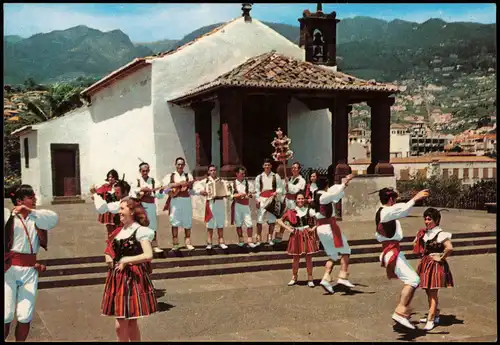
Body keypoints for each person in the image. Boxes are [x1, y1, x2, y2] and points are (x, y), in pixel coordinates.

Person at [4, 185, 59, 341]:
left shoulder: (37, 218)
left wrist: (30, 211)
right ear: (20, 200)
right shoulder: (9, 218)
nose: (35, 199)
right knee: (6, 313)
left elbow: (53, 218)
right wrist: (13, 211)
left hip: (29, 271)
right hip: (9, 270)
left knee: (25, 314)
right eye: (31, 197)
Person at [101, 197, 157, 342]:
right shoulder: (119, 231)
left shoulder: (140, 231)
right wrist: (108, 257)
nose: (119, 212)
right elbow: (109, 250)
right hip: (118, 278)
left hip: (132, 278)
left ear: (131, 211)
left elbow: (148, 255)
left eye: (122, 209)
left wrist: (126, 260)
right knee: (125, 321)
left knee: (128, 322)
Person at [375, 187, 429, 330]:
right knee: (413, 280)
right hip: (391, 251)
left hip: (393, 250)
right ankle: (400, 311)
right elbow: (403, 209)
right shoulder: (386, 212)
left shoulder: (384, 210)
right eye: (395, 199)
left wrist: (410, 198)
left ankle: (403, 310)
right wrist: (415, 198)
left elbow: (401, 207)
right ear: (391, 199)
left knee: (412, 279)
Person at [413, 208, 454, 331]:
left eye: (429, 219)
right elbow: (415, 246)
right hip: (425, 263)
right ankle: (435, 313)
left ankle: (431, 319)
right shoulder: (425, 233)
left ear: (436, 220)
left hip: (435, 265)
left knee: (432, 293)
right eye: (425, 219)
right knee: (427, 290)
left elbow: (449, 248)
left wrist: (441, 258)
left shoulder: (440, 234)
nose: (426, 221)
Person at [313, 175, 355, 294]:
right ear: (326, 185)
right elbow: (333, 193)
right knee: (346, 250)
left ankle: (326, 278)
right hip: (328, 227)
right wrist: (343, 184)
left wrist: (344, 184)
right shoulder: (323, 196)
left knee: (333, 255)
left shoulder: (317, 194)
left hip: (321, 228)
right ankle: (342, 277)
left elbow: (335, 193)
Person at [276, 192, 318, 287]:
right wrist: (288, 228)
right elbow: (279, 220)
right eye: (299, 199)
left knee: (308, 257)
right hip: (296, 234)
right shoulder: (291, 211)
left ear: (304, 200)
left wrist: (313, 228)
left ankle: (310, 278)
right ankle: (294, 277)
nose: (300, 200)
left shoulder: (309, 210)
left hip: (307, 234)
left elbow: (319, 220)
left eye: (302, 198)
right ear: (295, 200)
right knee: (295, 258)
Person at [163, 157, 201, 251]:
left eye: (182, 164)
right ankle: (175, 243)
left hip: (186, 201)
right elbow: (165, 190)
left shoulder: (189, 176)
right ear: (175, 165)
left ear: (184, 165)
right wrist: (176, 185)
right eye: (178, 164)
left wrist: (199, 192)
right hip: (175, 201)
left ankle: (188, 242)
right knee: (174, 221)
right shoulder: (170, 176)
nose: (180, 166)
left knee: (187, 221)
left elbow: (192, 190)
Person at [133, 162, 166, 254]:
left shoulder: (154, 181)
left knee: (152, 225)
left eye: (147, 170)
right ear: (140, 171)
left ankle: (154, 245)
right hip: (140, 205)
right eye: (143, 171)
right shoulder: (137, 181)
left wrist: (161, 191)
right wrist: (141, 191)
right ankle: (140, 246)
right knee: (140, 225)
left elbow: (159, 196)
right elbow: (132, 193)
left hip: (151, 205)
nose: (145, 172)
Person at [274, 162, 306, 244]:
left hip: (295, 202)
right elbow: (284, 190)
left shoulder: (301, 180)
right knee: (283, 219)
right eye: (292, 168)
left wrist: (288, 184)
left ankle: (298, 237)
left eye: (295, 168)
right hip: (287, 201)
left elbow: (294, 190)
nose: (294, 169)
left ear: (299, 169)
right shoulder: (290, 178)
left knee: (294, 220)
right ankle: (279, 238)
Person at [198, 165, 229, 250]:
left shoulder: (222, 181)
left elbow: (228, 189)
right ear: (208, 172)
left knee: (220, 222)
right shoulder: (206, 181)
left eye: (214, 170)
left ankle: (221, 241)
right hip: (211, 202)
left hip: (220, 202)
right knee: (210, 223)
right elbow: (196, 187)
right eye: (211, 170)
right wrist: (201, 191)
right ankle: (209, 242)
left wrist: (228, 191)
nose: (213, 172)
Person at [255, 158, 284, 246]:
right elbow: (257, 189)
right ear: (263, 166)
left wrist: (276, 192)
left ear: (271, 166)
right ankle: (258, 238)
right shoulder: (259, 177)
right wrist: (257, 199)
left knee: (271, 220)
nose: (267, 167)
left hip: (272, 199)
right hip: (262, 199)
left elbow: (280, 188)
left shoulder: (276, 176)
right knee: (259, 220)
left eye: (268, 165)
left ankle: (270, 238)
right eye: (265, 165)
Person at [230, 166, 257, 248]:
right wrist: (238, 195)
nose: (243, 175)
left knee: (249, 223)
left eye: (244, 173)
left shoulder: (248, 183)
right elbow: (229, 195)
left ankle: (250, 240)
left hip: (246, 205)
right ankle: (241, 240)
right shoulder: (232, 184)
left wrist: (250, 195)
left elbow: (253, 193)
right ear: (237, 174)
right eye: (241, 173)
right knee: (238, 224)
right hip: (237, 205)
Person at [95, 169, 120, 240]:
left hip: (117, 210)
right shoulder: (105, 186)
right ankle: (110, 246)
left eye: (112, 177)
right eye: (109, 177)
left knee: (118, 229)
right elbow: (96, 192)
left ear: (116, 178)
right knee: (109, 230)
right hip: (108, 211)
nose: (110, 179)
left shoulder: (118, 187)